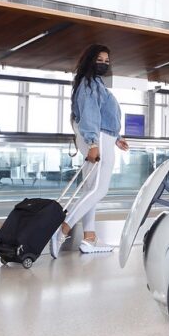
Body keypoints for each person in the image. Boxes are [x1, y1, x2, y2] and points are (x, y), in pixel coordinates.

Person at [49, 44, 129, 257]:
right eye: (100, 60)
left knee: (90, 190)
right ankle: (63, 228)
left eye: (107, 61)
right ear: (90, 60)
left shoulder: (93, 83)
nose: (104, 64)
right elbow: (91, 115)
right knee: (98, 190)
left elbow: (102, 116)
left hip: (103, 138)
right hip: (98, 139)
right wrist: (94, 144)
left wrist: (117, 138)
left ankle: (89, 238)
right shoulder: (89, 84)